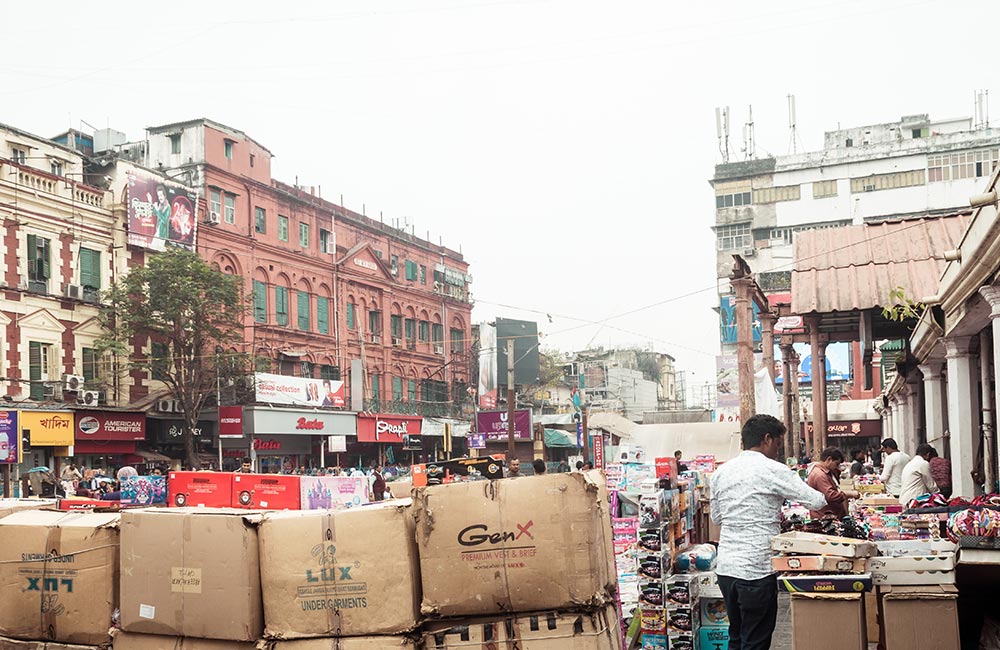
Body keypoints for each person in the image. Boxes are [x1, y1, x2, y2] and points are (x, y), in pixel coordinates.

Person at [711, 414, 827, 650]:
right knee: (755, 641)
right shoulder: (773, 469)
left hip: (726, 570)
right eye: (777, 444)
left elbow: (717, 517)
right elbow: (816, 501)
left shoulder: (721, 472)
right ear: (767, 439)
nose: (777, 450)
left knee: (736, 637)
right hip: (756, 570)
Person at [806, 448, 860, 518]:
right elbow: (830, 495)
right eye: (836, 464)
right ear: (829, 459)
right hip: (825, 517)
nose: (837, 467)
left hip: (831, 515)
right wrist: (848, 494)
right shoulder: (819, 475)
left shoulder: (827, 472)